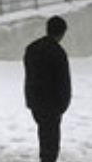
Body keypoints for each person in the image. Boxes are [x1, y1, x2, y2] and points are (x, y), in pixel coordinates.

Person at [23, 15, 72, 162]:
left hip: (35, 102)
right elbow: (63, 82)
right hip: (52, 105)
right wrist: (63, 105)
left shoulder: (31, 49)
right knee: (51, 142)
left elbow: (29, 74)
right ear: (61, 33)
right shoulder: (58, 53)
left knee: (43, 135)